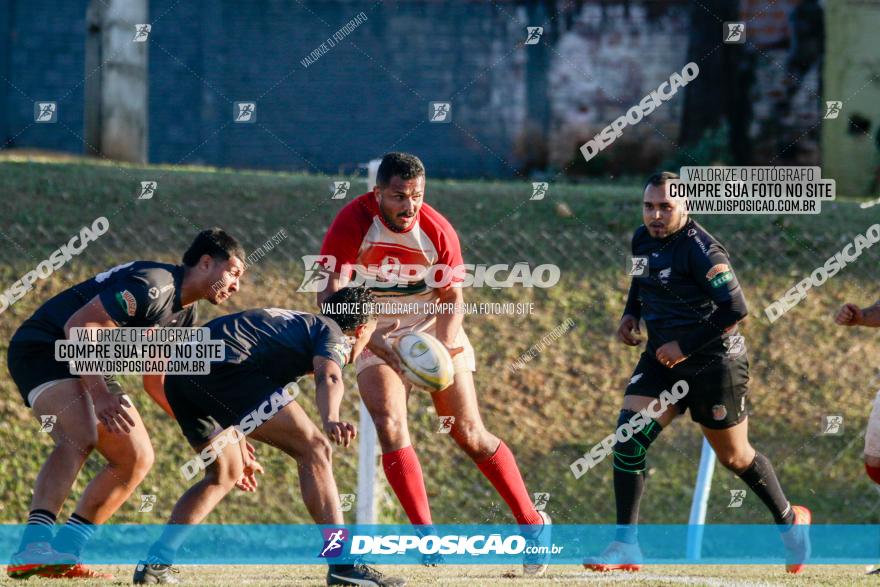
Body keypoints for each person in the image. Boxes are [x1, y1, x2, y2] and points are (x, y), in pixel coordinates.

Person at [316, 152, 549, 575]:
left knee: (468, 433)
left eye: (417, 196)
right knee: (389, 423)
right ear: (378, 193)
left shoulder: (436, 229)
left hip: (431, 323)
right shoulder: (352, 221)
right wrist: (368, 334)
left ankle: (533, 525)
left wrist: (440, 350)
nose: (409, 206)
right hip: (375, 327)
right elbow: (330, 293)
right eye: (399, 196)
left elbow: (452, 299)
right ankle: (427, 536)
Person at [583, 172, 810, 574]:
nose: (655, 215)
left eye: (665, 207)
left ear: (685, 206)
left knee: (736, 457)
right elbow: (641, 278)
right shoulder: (642, 238)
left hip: (713, 364)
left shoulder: (703, 250)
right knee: (628, 441)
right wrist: (630, 313)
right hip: (661, 363)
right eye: (649, 206)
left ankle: (792, 524)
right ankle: (625, 544)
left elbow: (736, 309)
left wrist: (685, 346)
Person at [6, 229, 245, 580]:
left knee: (136, 457)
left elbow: (157, 382)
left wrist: (221, 437)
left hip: (87, 361)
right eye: (234, 272)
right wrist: (101, 395)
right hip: (46, 346)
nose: (236, 285)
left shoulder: (184, 315)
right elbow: (79, 326)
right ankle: (33, 545)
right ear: (206, 263)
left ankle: (63, 553)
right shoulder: (154, 284)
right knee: (80, 434)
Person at [133, 287, 405, 587]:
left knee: (224, 472)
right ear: (361, 329)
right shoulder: (333, 332)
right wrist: (331, 419)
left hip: (182, 376)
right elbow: (329, 375)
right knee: (314, 450)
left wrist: (235, 436)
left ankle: (156, 562)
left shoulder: (301, 327)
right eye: (368, 336)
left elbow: (241, 355)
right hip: (224, 369)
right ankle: (343, 564)